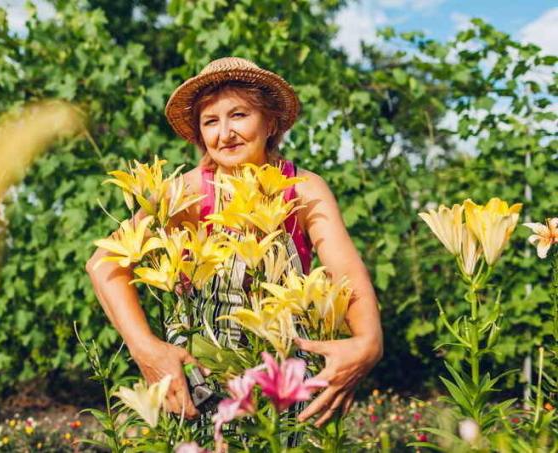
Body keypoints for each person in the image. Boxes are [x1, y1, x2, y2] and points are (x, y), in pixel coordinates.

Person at [86, 57, 383, 430]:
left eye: (239, 115)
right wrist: (145, 348)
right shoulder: (186, 193)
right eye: (211, 122)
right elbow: (103, 264)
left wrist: (368, 342)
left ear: (270, 122)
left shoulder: (304, 189)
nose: (224, 133)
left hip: (286, 377)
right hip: (202, 383)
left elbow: (347, 273)